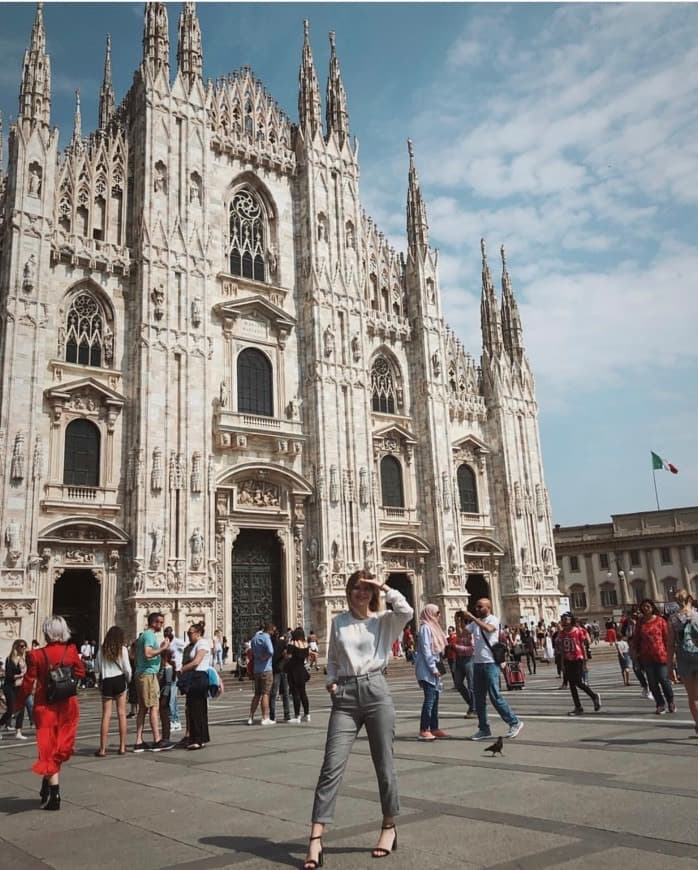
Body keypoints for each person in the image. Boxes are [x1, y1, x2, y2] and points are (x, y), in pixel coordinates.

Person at [303, 571, 413, 868]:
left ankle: (388, 827)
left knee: (384, 764)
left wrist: (383, 586)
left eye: (366, 589)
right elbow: (335, 659)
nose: (360, 593)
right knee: (331, 766)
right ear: (348, 591)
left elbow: (407, 610)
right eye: (356, 588)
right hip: (346, 697)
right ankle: (315, 838)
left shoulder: (384, 620)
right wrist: (333, 681)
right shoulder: (338, 621)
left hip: (376, 690)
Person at [15, 616, 85, 810]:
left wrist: (18, 704)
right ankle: (46, 788)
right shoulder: (71, 651)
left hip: (45, 707)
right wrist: (66, 678)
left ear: (47, 632)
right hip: (67, 706)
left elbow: (28, 683)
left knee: (47, 750)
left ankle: (54, 795)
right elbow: (81, 673)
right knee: (58, 749)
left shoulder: (36, 655)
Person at [463, 598, 523, 741]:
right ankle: (484, 729)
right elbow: (463, 634)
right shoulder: (475, 623)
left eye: (480, 607)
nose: (477, 609)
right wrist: (459, 619)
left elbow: (489, 629)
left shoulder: (493, 620)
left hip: (490, 663)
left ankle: (514, 722)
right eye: (476, 607)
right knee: (479, 699)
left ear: (488, 607)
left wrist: (472, 618)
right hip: (477, 663)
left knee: (495, 696)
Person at [134, 612, 174, 751]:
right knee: (154, 707)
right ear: (153, 623)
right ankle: (157, 740)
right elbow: (148, 653)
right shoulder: (149, 635)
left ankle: (139, 741)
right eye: (160, 622)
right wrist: (163, 648)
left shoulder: (144, 636)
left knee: (143, 708)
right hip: (148, 675)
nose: (162, 625)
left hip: (142, 674)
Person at [631, 598, 675, 715]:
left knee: (663, 679)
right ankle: (660, 704)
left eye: (648, 606)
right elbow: (636, 639)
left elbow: (667, 638)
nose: (645, 608)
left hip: (661, 655)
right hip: (646, 656)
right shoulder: (640, 622)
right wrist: (634, 653)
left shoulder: (660, 621)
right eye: (643, 606)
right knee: (652, 682)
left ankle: (670, 701)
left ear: (652, 607)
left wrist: (671, 654)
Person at [94, 625, 132, 756]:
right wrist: (128, 680)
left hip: (107, 681)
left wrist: (99, 682)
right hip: (119, 680)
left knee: (106, 715)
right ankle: (122, 747)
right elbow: (127, 669)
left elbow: (96, 668)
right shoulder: (123, 650)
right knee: (122, 714)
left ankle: (102, 749)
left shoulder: (102, 650)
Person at [414, 604, 449, 740]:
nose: (439, 616)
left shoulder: (433, 628)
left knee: (435, 699)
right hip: (426, 669)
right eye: (437, 613)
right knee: (429, 700)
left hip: (433, 667)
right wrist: (433, 668)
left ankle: (434, 728)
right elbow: (426, 649)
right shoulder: (425, 628)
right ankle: (424, 729)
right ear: (430, 613)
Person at [667, 590, 698, 735]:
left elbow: (670, 645)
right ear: (690, 599)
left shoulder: (673, 619)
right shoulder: (697, 615)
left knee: (693, 697)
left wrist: (669, 667)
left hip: (683, 658)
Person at [558, 612, 601, 715]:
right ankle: (578, 707)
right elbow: (563, 649)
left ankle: (594, 696)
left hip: (578, 658)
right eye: (563, 619)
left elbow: (583, 646)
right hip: (568, 660)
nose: (564, 621)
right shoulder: (562, 633)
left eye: (566, 619)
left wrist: (585, 662)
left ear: (571, 620)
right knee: (572, 685)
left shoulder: (578, 631)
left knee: (578, 682)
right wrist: (562, 664)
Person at [180, 622, 211, 750]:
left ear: (198, 633)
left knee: (196, 708)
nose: (188, 635)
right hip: (196, 677)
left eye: (190, 633)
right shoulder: (195, 644)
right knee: (196, 708)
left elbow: (197, 661)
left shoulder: (202, 643)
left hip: (198, 677)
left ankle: (197, 739)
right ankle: (200, 738)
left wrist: (182, 669)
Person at [248, 622, 276, 726]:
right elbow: (271, 651)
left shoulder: (255, 638)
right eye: (272, 631)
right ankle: (265, 717)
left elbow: (251, 652)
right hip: (266, 669)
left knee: (257, 694)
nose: (273, 633)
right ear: (270, 630)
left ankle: (250, 716)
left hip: (256, 669)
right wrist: (265, 657)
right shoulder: (266, 638)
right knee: (265, 693)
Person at [1, 639, 29, 739]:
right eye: (21, 646)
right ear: (16, 647)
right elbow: (8, 675)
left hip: (21, 687)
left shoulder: (25, 659)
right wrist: (19, 675)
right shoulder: (10, 659)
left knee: (21, 709)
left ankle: (18, 732)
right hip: (10, 687)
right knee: (11, 710)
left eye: (25, 646)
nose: (24, 648)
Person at [453, 610, 476, 718]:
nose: (460, 624)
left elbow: (472, 648)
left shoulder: (472, 632)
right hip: (459, 659)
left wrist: (457, 647)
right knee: (458, 683)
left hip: (469, 659)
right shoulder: (460, 631)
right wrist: (456, 620)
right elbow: (458, 633)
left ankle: (474, 708)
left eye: (462, 622)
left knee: (471, 684)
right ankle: (471, 704)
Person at [286, 627, 312, 723]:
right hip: (302, 670)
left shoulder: (292, 643)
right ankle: (307, 714)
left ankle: (297, 716)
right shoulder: (305, 644)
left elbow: (288, 656)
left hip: (293, 670)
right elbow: (307, 656)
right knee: (303, 693)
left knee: (295, 693)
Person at [164, 626, 185, 732]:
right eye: (165, 632)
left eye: (168, 632)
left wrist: (181, 664)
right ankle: (176, 721)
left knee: (171, 699)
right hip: (168, 671)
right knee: (173, 698)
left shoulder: (177, 642)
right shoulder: (165, 643)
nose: (166, 634)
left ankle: (173, 720)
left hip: (175, 671)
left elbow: (186, 648)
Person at [270, 628, 291, 723]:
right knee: (285, 693)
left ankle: (272, 715)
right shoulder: (282, 643)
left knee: (273, 693)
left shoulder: (270, 643)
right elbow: (287, 654)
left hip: (275, 670)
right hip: (283, 669)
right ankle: (287, 715)